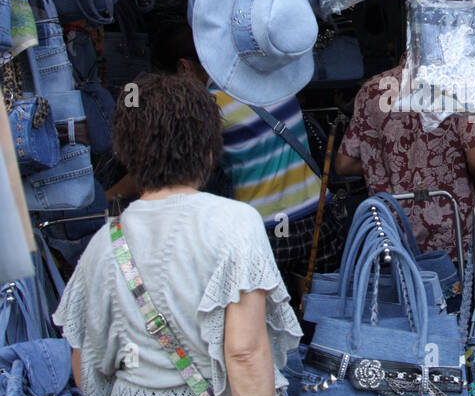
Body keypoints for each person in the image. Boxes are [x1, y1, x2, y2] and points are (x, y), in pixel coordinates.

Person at [53, 72, 298, 396]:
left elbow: (83, 369)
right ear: (209, 147)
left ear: (126, 150)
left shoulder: (102, 244)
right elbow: (245, 353)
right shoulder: (236, 224)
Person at [107, 22, 345, 300]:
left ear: (184, 67)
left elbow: (165, 166)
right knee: (323, 315)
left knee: (265, 321)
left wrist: (109, 195)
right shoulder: (270, 75)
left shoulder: (208, 106)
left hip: (267, 232)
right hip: (319, 217)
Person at [334, 54, 475, 261]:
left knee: (403, 292)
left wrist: (389, 166)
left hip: (392, 232)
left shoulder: (371, 89)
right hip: (452, 232)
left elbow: (344, 164)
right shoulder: (462, 85)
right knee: (456, 291)